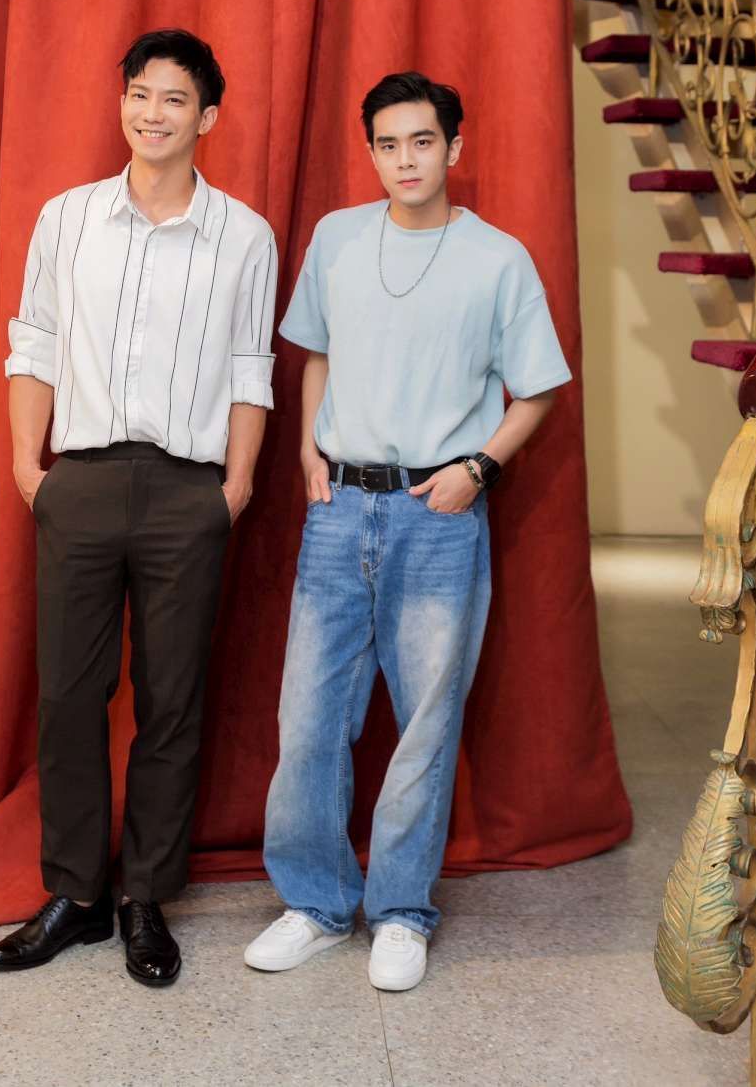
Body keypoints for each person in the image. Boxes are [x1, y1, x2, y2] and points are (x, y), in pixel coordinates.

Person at [244, 71, 571, 991]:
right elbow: (316, 353)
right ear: (372, 152)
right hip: (338, 507)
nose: (405, 160)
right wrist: (306, 451)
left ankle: (399, 910)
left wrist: (478, 469)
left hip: (439, 514)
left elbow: (539, 388)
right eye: (387, 144)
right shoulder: (337, 238)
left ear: (453, 147)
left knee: (426, 720)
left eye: (422, 141)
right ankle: (315, 902)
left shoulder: (498, 259)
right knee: (308, 717)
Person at [0, 28, 278, 986]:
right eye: (140, 94)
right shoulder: (66, 218)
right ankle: (75, 893)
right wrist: (30, 467)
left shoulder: (245, 236)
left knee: (171, 698)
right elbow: (33, 342)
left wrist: (233, 489)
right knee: (69, 694)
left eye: (174, 99)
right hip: (80, 480)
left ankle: (145, 894)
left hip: (189, 490)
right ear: (123, 103)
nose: (153, 113)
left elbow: (251, 367)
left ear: (208, 117)